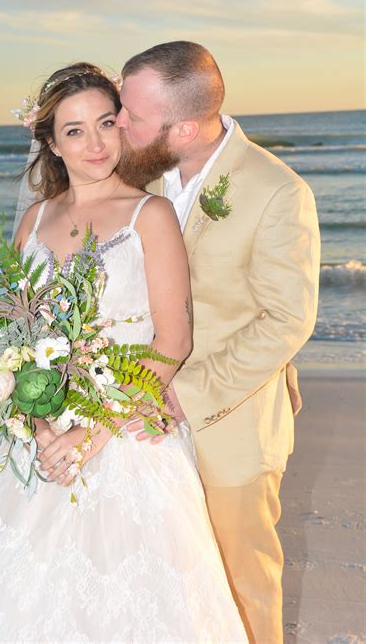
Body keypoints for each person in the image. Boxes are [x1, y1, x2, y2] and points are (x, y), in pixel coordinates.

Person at [0, 63, 248, 643]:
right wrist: (37, 422)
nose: (96, 143)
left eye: (107, 122)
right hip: (33, 435)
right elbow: (16, 340)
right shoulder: (35, 220)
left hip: (124, 432)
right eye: (75, 131)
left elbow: (172, 340)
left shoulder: (148, 215)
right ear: (52, 144)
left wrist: (92, 432)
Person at [112, 42, 321, 643]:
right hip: (137, 414)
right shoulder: (144, 167)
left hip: (226, 421)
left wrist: (186, 394)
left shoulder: (277, 192)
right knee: (170, 577)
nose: (119, 123)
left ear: (187, 127)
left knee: (240, 578)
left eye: (133, 116)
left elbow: (285, 320)